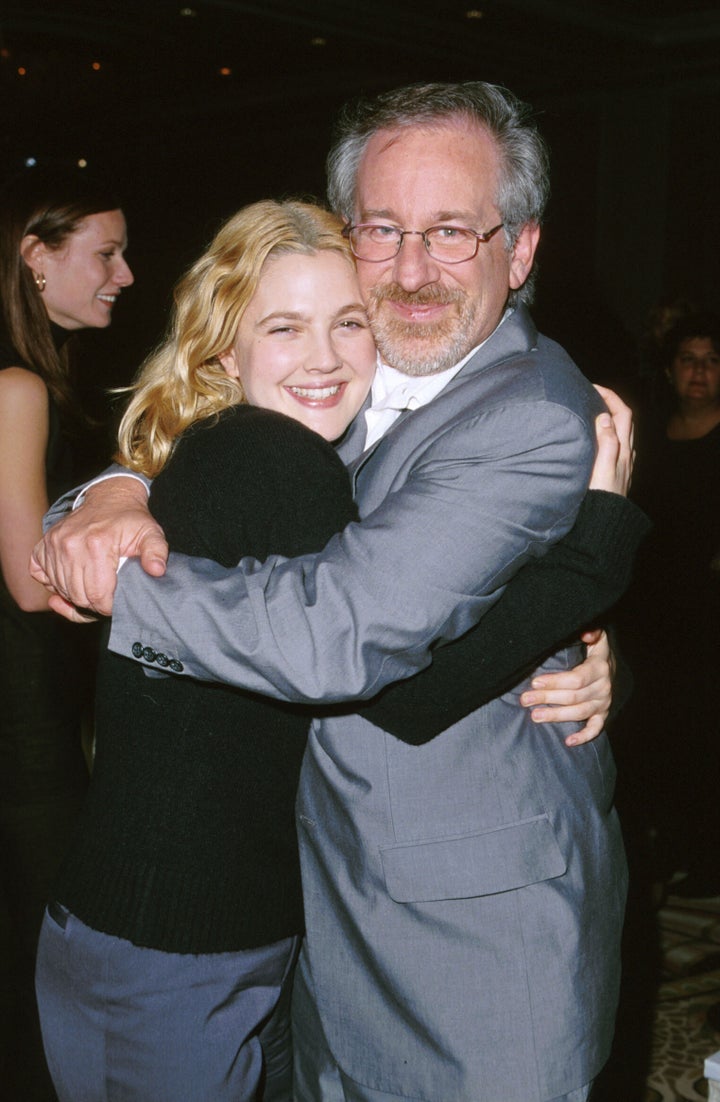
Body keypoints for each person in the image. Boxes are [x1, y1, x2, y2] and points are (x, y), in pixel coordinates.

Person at [34, 83, 634, 1102]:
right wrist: (112, 493)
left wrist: (119, 591)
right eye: (383, 230)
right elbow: (207, 449)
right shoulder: (330, 386)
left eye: (451, 232)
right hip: (306, 915)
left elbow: (345, 637)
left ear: (519, 250)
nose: (410, 271)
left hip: (469, 938)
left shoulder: (531, 413)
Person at [0, 168, 133, 1100]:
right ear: (36, 259)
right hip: (22, 715)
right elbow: (29, 579)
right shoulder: (17, 385)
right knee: (45, 948)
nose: (125, 274)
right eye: (107, 253)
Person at [619, 311, 720, 897]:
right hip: (656, 608)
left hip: (708, 613)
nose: (699, 372)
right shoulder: (653, 436)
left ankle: (709, 855)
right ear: (670, 370)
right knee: (655, 730)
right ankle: (666, 844)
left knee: (704, 732)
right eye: (689, 360)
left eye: (711, 360)